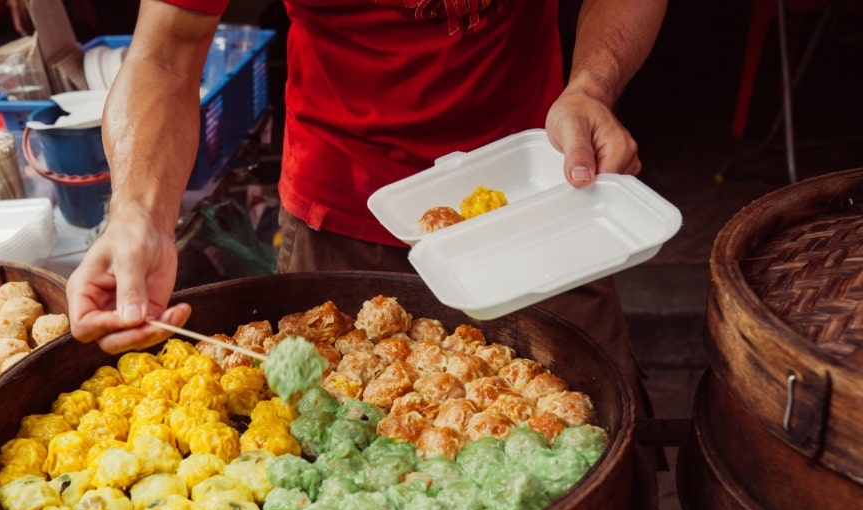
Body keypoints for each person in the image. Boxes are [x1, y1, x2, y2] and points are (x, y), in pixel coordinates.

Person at [66, 0, 667, 404]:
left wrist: (592, 85)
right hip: (342, 212)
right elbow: (166, 53)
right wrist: (137, 216)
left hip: (539, 199)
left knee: (599, 444)